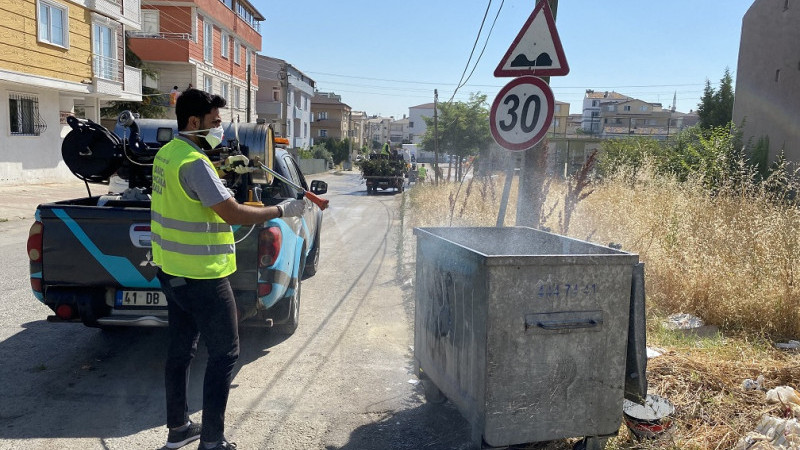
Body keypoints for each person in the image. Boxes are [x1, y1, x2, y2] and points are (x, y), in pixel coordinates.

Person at [151, 88, 305, 450]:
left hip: (171, 270)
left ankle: (178, 429)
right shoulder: (194, 163)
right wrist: (281, 210)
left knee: (181, 350)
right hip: (203, 276)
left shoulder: (167, 155)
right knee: (225, 354)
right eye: (215, 122)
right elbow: (232, 212)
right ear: (194, 122)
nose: (220, 128)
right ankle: (212, 441)